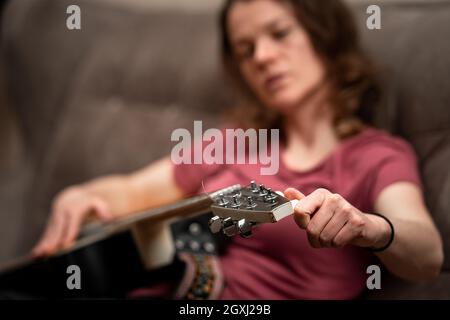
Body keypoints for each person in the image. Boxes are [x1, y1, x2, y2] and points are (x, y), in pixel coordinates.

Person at [32, 0, 443, 299]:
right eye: (246, 50)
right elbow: (132, 192)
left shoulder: (377, 155)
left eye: (279, 34)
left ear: (325, 36)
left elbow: (426, 253)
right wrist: (83, 195)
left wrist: (369, 228)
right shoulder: (234, 141)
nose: (262, 57)